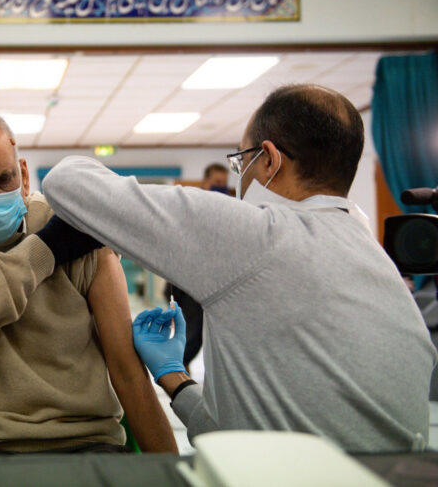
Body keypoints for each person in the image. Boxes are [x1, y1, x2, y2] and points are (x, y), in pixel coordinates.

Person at [42, 84, 438, 453]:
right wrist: (174, 378)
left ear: (268, 159)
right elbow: (238, 437)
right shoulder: (380, 260)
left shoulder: (257, 234)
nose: (240, 177)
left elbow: (67, 182)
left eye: (241, 161)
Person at [0, 109, 176, 458]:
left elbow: (127, 371)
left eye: (3, 179)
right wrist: (44, 250)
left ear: (24, 176)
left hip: (80, 437)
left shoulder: (73, 225)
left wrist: (171, 470)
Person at [164, 162, 232, 369]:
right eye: (216, 182)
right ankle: (178, 379)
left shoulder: (228, 211)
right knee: (192, 337)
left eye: (224, 183)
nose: (221, 186)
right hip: (189, 284)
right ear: (206, 182)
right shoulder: (190, 207)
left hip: (216, 283)